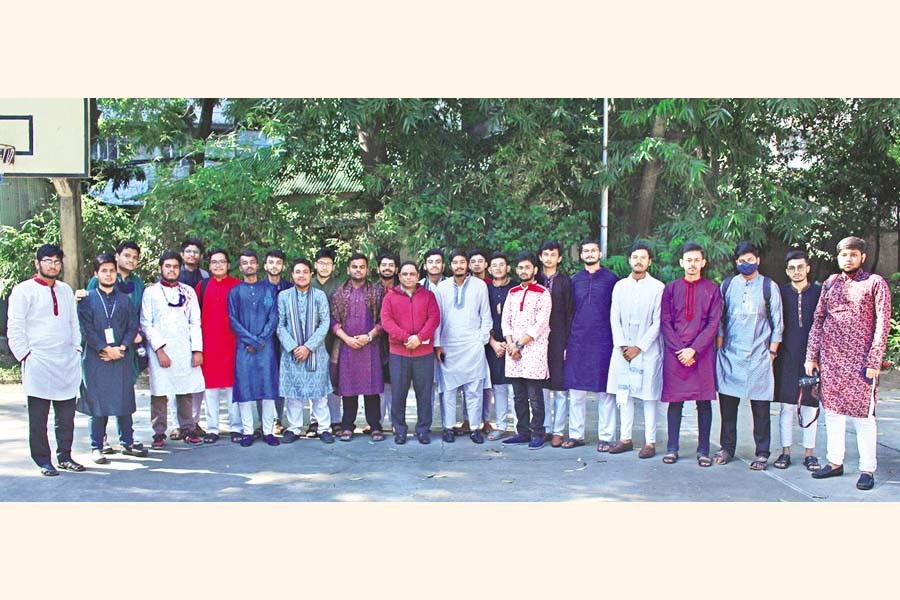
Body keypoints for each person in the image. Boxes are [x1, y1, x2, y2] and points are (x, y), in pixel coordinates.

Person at [806, 236, 891, 491]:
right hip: (831, 360)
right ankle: (835, 462)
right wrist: (811, 356)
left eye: (853, 254)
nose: (848, 259)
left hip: (861, 363)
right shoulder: (831, 283)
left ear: (862, 257)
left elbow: (882, 325)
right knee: (833, 414)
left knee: (863, 417)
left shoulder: (875, 283)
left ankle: (867, 469)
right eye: (844, 255)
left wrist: (874, 360)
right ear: (838, 257)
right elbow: (818, 320)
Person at [7, 244, 85, 475]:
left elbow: (73, 323)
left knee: (66, 417)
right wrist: (25, 355)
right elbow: (15, 327)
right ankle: (43, 460)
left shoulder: (65, 290)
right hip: (38, 361)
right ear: (37, 263)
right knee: (39, 418)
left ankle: (65, 456)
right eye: (48, 261)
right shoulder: (23, 290)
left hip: (66, 361)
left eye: (57, 261)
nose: (53, 266)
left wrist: (76, 349)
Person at [715, 241, 783, 470]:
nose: (746, 264)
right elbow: (720, 320)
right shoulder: (727, 285)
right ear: (736, 262)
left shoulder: (768, 286)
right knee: (728, 408)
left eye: (750, 260)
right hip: (730, 356)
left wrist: (772, 352)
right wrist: (720, 348)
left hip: (759, 356)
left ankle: (762, 452)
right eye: (742, 260)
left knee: (761, 409)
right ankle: (727, 448)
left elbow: (778, 322)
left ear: (758, 260)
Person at [77, 254, 146, 463]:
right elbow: (86, 329)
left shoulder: (124, 299)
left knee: (124, 399)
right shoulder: (87, 299)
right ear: (96, 274)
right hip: (96, 357)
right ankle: (96, 446)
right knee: (97, 403)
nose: (108, 274)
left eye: (112, 271)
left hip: (122, 356)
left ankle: (127, 443)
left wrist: (122, 347)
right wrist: (105, 348)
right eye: (104, 271)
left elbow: (132, 326)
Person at [659, 243, 722, 466]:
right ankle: (672, 448)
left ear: (703, 263)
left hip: (701, 354)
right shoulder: (671, 289)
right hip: (675, 353)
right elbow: (665, 322)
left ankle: (703, 450)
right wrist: (680, 350)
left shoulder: (712, 289)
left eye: (696, 260)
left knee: (704, 403)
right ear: (681, 263)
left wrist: (694, 349)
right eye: (689, 260)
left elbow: (713, 323)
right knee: (675, 402)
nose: (692, 264)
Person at [605, 242, 664, 458]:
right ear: (629, 260)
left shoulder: (658, 287)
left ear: (649, 261)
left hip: (647, 350)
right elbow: (614, 317)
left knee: (649, 396)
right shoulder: (620, 286)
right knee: (625, 394)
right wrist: (623, 345)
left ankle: (650, 442)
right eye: (635, 257)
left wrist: (639, 347)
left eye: (643, 257)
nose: (638, 261)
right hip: (623, 349)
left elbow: (658, 321)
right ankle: (625, 439)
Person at [142, 251, 205, 448]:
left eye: (175, 267)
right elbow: (146, 323)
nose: (172, 270)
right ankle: (159, 432)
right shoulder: (151, 292)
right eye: (168, 266)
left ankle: (188, 428)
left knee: (185, 390)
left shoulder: (188, 291)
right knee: (159, 392)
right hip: (159, 350)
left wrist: (197, 350)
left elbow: (195, 322)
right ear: (160, 268)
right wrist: (159, 350)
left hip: (184, 348)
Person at [562, 239, 618, 450]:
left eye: (593, 250)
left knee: (606, 391)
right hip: (578, 341)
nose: (590, 254)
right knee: (576, 391)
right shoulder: (575, 280)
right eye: (586, 251)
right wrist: (566, 342)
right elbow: (569, 312)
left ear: (600, 253)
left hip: (604, 341)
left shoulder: (612, 280)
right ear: (581, 255)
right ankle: (576, 435)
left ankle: (606, 437)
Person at [433, 250, 493, 444]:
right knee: (448, 390)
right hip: (448, 346)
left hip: (472, 345)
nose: (459, 266)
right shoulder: (442, 287)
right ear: (450, 266)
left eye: (462, 262)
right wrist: (437, 344)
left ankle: (475, 428)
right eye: (455, 262)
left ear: (467, 264)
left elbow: (486, 315)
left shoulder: (479, 285)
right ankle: (448, 427)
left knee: (474, 389)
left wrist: (481, 340)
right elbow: (437, 318)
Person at [772, 249, 822, 470]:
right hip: (786, 357)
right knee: (787, 407)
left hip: (811, 358)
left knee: (810, 406)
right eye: (792, 268)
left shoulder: (818, 293)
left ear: (808, 268)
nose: (797, 271)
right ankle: (785, 452)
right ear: (787, 271)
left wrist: (817, 356)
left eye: (800, 267)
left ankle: (809, 454)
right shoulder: (781, 293)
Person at [381, 261, 441, 444]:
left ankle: (423, 430)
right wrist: (407, 338)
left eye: (412, 274)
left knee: (424, 394)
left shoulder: (428, 296)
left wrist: (419, 338)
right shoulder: (390, 297)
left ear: (418, 276)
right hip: (399, 353)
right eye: (405, 274)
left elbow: (434, 319)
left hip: (423, 353)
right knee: (398, 393)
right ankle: (399, 430)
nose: (408, 277)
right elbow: (387, 322)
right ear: (399, 276)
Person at [277, 258, 335, 444]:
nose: (301, 275)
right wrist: (294, 348)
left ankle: (324, 428)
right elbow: (280, 325)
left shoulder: (319, 296)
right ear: (292, 275)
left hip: (316, 353)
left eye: (305, 272)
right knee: (293, 395)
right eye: (297, 272)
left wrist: (308, 347)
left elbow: (325, 323)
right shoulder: (284, 296)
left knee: (319, 395)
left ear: (311, 274)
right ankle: (294, 428)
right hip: (292, 354)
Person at [330, 253, 386, 442]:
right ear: (348, 269)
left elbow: (384, 319)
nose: (358, 270)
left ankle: (375, 426)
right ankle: (347, 426)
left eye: (362, 267)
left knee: (372, 389)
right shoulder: (339, 293)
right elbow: (332, 321)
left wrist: (369, 336)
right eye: (354, 267)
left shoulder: (377, 292)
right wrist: (347, 339)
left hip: (370, 346)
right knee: (349, 388)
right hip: (347, 347)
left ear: (367, 269)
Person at [500, 252, 552, 449]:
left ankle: (537, 433)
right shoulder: (512, 292)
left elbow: (540, 324)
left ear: (535, 270)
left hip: (534, 351)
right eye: (520, 268)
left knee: (535, 397)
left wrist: (519, 345)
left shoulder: (543, 293)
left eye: (527, 267)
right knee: (519, 396)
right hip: (513, 352)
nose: (523, 271)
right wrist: (510, 344)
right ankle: (522, 432)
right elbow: (505, 320)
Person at [228, 250, 280, 447]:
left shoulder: (269, 290)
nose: (249, 265)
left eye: (252, 262)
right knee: (245, 388)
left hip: (266, 347)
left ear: (258, 266)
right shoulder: (235, 292)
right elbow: (233, 320)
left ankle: (268, 431)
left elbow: (274, 316)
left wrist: (261, 339)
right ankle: (248, 431)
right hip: (244, 347)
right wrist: (251, 340)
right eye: (245, 263)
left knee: (268, 388)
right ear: (240, 267)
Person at [195, 248, 242, 444]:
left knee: (233, 389)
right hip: (209, 346)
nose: (218, 265)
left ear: (228, 265)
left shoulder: (237, 285)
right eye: (214, 262)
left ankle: (236, 428)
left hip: (232, 344)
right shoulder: (202, 286)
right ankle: (212, 429)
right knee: (210, 391)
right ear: (209, 265)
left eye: (222, 262)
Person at [536, 240, 573, 447]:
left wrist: (568, 343)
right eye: (546, 254)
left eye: (553, 255)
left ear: (559, 258)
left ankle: (558, 431)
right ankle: (546, 428)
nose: (549, 258)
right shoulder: (535, 280)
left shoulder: (565, 282)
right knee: (541, 386)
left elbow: (570, 313)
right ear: (540, 257)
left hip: (559, 339)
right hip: (537, 341)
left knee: (559, 387)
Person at [177, 236, 210, 438]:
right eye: (188, 251)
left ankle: (194, 421)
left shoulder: (204, 276)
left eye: (196, 252)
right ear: (182, 254)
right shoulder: (174, 273)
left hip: (199, 328)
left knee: (197, 379)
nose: (192, 255)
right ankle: (177, 424)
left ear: (201, 256)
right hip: (177, 332)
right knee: (175, 379)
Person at [312, 247, 343, 436]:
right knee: (314, 378)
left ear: (333, 266)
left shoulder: (339, 286)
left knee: (333, 379)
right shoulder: (308, 283)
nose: (324, 267)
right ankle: (315, 421)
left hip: (334, 338)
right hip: (311, 339)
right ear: (315, 265)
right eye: (321, 263)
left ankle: (336, 420)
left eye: (328, 264)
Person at [485, 252, 516, 441]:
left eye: (501, 264)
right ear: (489, 269)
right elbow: (479, 317)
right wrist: (493, 343)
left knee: (516, 388)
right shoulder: (485, 290)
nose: (498, 268)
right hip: (492, 344)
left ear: (508, 268)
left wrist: (512, 343)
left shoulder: (516, 288)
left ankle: (521, 427)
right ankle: (501, 425)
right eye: (494, 265)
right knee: (499, 387)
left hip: (515, 345)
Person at [263, 248, 292, 434]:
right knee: (265, 379)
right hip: (264, 340)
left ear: (283, 266)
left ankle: (278, 420)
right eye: (271, 262)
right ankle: (265, 421)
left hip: (286, 341)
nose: (274, 266)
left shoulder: (289, 288)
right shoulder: (258, 288)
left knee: (282, 379)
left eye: (278, 263)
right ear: (265, 265)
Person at [375, 251, 400, 432]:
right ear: (378, 268)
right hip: (375, 340)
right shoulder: (372, 289)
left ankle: (395, 421)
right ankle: (377, 422)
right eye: (384, 265)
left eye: (391, 265)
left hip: (397, 341)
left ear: (396, 269)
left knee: (394, 383)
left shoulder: (402, 289)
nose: (387, 268)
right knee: (378, 383)